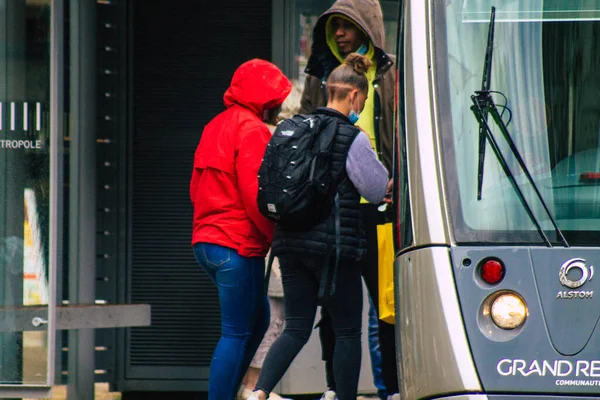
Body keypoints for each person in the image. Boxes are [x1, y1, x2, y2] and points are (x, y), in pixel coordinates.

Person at [248, 53, 392, 400]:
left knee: (295, 328)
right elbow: (375, 189)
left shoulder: (295, 128)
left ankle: (259, 392)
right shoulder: (351, 136)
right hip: (335, 251)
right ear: (355, 96)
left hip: (291, 245)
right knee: (346, 331)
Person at [298, 0, 399, 399]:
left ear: (368, 27)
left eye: (347, 25)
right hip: (334, 210)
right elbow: (305, 126)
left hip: (381, 208)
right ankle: (333, 389)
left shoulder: (391, 72)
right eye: (334, 26)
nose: (339, 32)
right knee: (333, 309)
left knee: (386, 306)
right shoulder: (321, 73)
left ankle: (390, 388)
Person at [190, 59, 291, 400]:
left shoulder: (214, 126)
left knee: (258, 316)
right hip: (236, 244)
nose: (278, 106)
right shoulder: (253, 130)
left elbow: (195, 187)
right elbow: (256, 196)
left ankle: (231, 388)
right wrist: (274, 235)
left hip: (207, 241)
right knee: (236, 331)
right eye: (276, 100)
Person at [238, 82, 304, 400]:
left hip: (262, 240)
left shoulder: (260, 135)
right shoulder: (275, 139)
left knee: (272, 318)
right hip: (274, 239)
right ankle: (254, 388)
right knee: (274, 319)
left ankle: (255, 387)